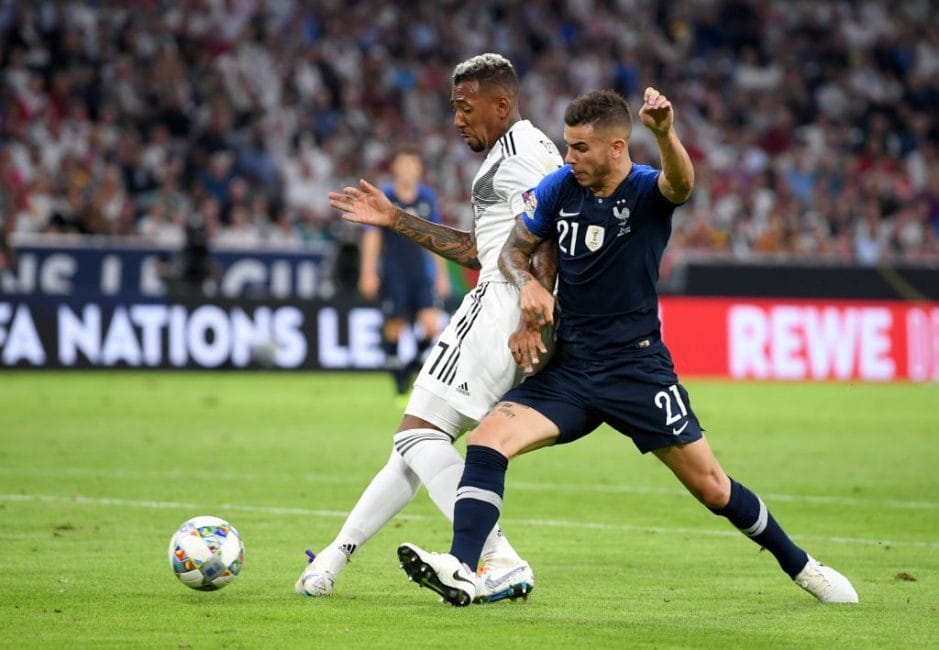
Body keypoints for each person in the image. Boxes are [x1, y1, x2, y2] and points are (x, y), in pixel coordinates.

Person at [397, 88, 859, 606]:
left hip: (636, 370)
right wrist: (525, 280)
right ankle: (463, 568)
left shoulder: (643, 191)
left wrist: (664, 133)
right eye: (567, 146)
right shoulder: (559, 189)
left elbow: (681, 183)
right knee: (486, 442)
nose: (569, 158)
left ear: (617, 147)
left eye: (580, 149)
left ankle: (803, 567)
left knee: (712, 487)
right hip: (570, 367)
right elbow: (511, 252)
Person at [296, 53, 564, 601]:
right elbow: (480, 247)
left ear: (502, 104)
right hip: (504, 298)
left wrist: (534, 309)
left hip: (501, 306)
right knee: (416, 443)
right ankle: (333, 558)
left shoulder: (516, 160)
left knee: (418, 432)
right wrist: (397, 219)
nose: (458, 120)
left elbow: (551, 232)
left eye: (466, 108)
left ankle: (497, 558)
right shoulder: (525, 150)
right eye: (454, 109)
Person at [358, 148, 450, 397]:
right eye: (404, 164)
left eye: (413, 164)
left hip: (421, 272)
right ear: (395, 168)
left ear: (419, 169)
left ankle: (410, 367)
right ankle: (399, 379)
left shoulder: (427, 198)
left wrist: (442, 275)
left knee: (432, 325)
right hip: (393, 272)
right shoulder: (385, 196)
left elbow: (436, 237)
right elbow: (372, 236)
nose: (409, 169)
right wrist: (368, 272)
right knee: (394, 327)